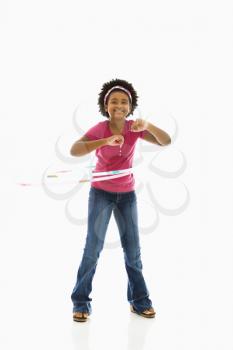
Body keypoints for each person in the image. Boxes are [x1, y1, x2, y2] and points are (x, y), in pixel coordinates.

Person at [70, 78, 171, 322]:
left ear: (130, 105)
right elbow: (75, 150)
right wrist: (104, 141)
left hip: (127, 194)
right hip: (101, 193)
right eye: (114, 101)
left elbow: (165, 141)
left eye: (124, 102)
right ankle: (81, 302)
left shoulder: (134, 128)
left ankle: (139, 301)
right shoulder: (100, 128)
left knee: (133, 251)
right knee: (93, 248)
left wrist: (148, 125)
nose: (119, 105)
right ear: (106, 106)